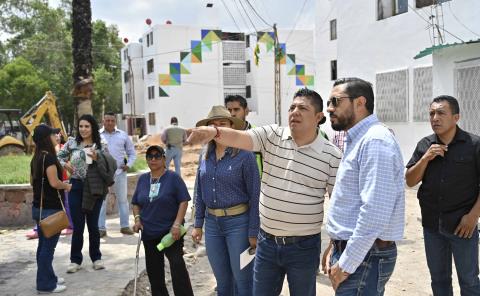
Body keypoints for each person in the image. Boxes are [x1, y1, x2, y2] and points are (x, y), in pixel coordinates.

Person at [188, 88, 341, 296]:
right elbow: (241, 138)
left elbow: (339, 204)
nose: (295, 111)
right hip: (267, 243)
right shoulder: (272, 136)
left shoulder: (331, 156)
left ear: (318, 117)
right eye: (292, 107)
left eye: (302, 108)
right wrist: (214, 132)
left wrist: (335, 242)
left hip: (303, 246)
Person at [322, 77, 405, 295]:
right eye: (328, 102)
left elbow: (375, 212)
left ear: (360, 102)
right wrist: (336, 244)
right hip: (358, 252)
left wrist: (347, 263)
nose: (329, 108)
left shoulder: (375, 141)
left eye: (335, 101)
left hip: (366, 256)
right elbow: (351, 202)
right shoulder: (357, 139)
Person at [405, 95, 480, 296]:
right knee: (439, 280)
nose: (435, 118)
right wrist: (426, 158)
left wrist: (473, 217)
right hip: (432, 225)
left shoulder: (473, 145)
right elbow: (410, 181)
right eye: (431, 113)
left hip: (463, 226)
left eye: (441, 113)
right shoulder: (425, 145)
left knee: (470, 281)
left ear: (456, 117)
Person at [191, 106, 260, 296]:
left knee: (243, 281)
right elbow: (199, 190)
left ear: (231, 127)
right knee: (222, 282)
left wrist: (254, 231)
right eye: (213, 125)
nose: (217, 129)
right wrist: (198, 224)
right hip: (213, 226)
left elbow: (255, 194)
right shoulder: (204, 155)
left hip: (239, 224)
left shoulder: (245, 155)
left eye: (222, 124)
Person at [132, 145, 194, 296]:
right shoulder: (143, 180)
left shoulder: (173, 178)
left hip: (170, 233)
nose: (153, 159)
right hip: (149, 233)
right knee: (154, 272)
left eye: (157, 156)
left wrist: (177, 224)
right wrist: (137, 219)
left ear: (164, 159)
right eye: (150, 156)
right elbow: (135, 203)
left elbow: (184, 201)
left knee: (177, 265)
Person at [58, 114, 111, 273]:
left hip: (94, 187)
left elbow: (109, 163)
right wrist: (65, 164)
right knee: (78, 226)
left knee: (93, 226)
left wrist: (97, 157)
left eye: (87, 126)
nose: (83, 129)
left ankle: (96, 258)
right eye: (81, 126)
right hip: (76, 186)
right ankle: (75, 260)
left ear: (92, 127)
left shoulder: (100, 143)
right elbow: (59, 156)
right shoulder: (72, 142)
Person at [30, 124, 72, 293]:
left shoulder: (36, 157)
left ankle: (48, 277)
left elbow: (33, 182)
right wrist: (66, 186)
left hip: (38, 208)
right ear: (47, 138)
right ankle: (45, 285)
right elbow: (54, 182)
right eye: (53, 135)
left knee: (43, 247)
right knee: (48, 248)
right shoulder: (49, 158)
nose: (56, 137)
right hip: (50, 209)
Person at [98, 112, 136, 237]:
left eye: (112, 121)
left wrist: (128, 165)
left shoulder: (123, 135)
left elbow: (132, 153)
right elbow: (90, 152)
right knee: (102, 201)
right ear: (103, 121)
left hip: (120, 173)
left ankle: (125, 226)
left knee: (123, 200)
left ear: (115, 122)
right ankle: (101, 228)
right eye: (107, 120)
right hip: (102, 175)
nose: (109, 123)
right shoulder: (97, 135)